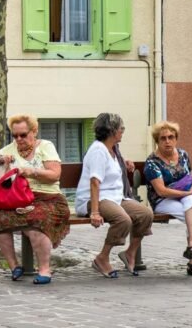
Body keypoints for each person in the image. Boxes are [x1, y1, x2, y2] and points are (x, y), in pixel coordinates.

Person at [0, 114, 70, 285]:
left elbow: (55, 174)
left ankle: (44, 269)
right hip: (19, 199)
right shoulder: (11, 148)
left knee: (36, 219)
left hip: (48, 198)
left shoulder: (45, 146)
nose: (19, 139)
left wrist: (31, 171)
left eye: (23, 135)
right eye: (15, 135)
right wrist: (1, 159)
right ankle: (14, 266)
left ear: (34, 131)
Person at [75, 113, 153, 278]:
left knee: (145, 214)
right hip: (94, 199)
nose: (122, 131)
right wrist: (94, 212)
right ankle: (102, 258)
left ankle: (130, 253)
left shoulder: (113, 151)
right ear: (111, 130)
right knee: (123, 220)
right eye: (121, 128)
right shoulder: (98, 151)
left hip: (115, 197)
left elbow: (110, 169)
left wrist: (124, 163)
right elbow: (94, 182)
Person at [144, 121, 192, 277]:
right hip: (162, 200)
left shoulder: (183, 155)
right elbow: (161, 191)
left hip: (183, 195)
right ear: (157, 141)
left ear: (176, 139)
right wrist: (186, 193)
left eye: (171, 137)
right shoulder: (152, 162)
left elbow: (189, 176)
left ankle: (191, 248)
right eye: (163, 138)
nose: (167, 141)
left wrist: (189, 191)